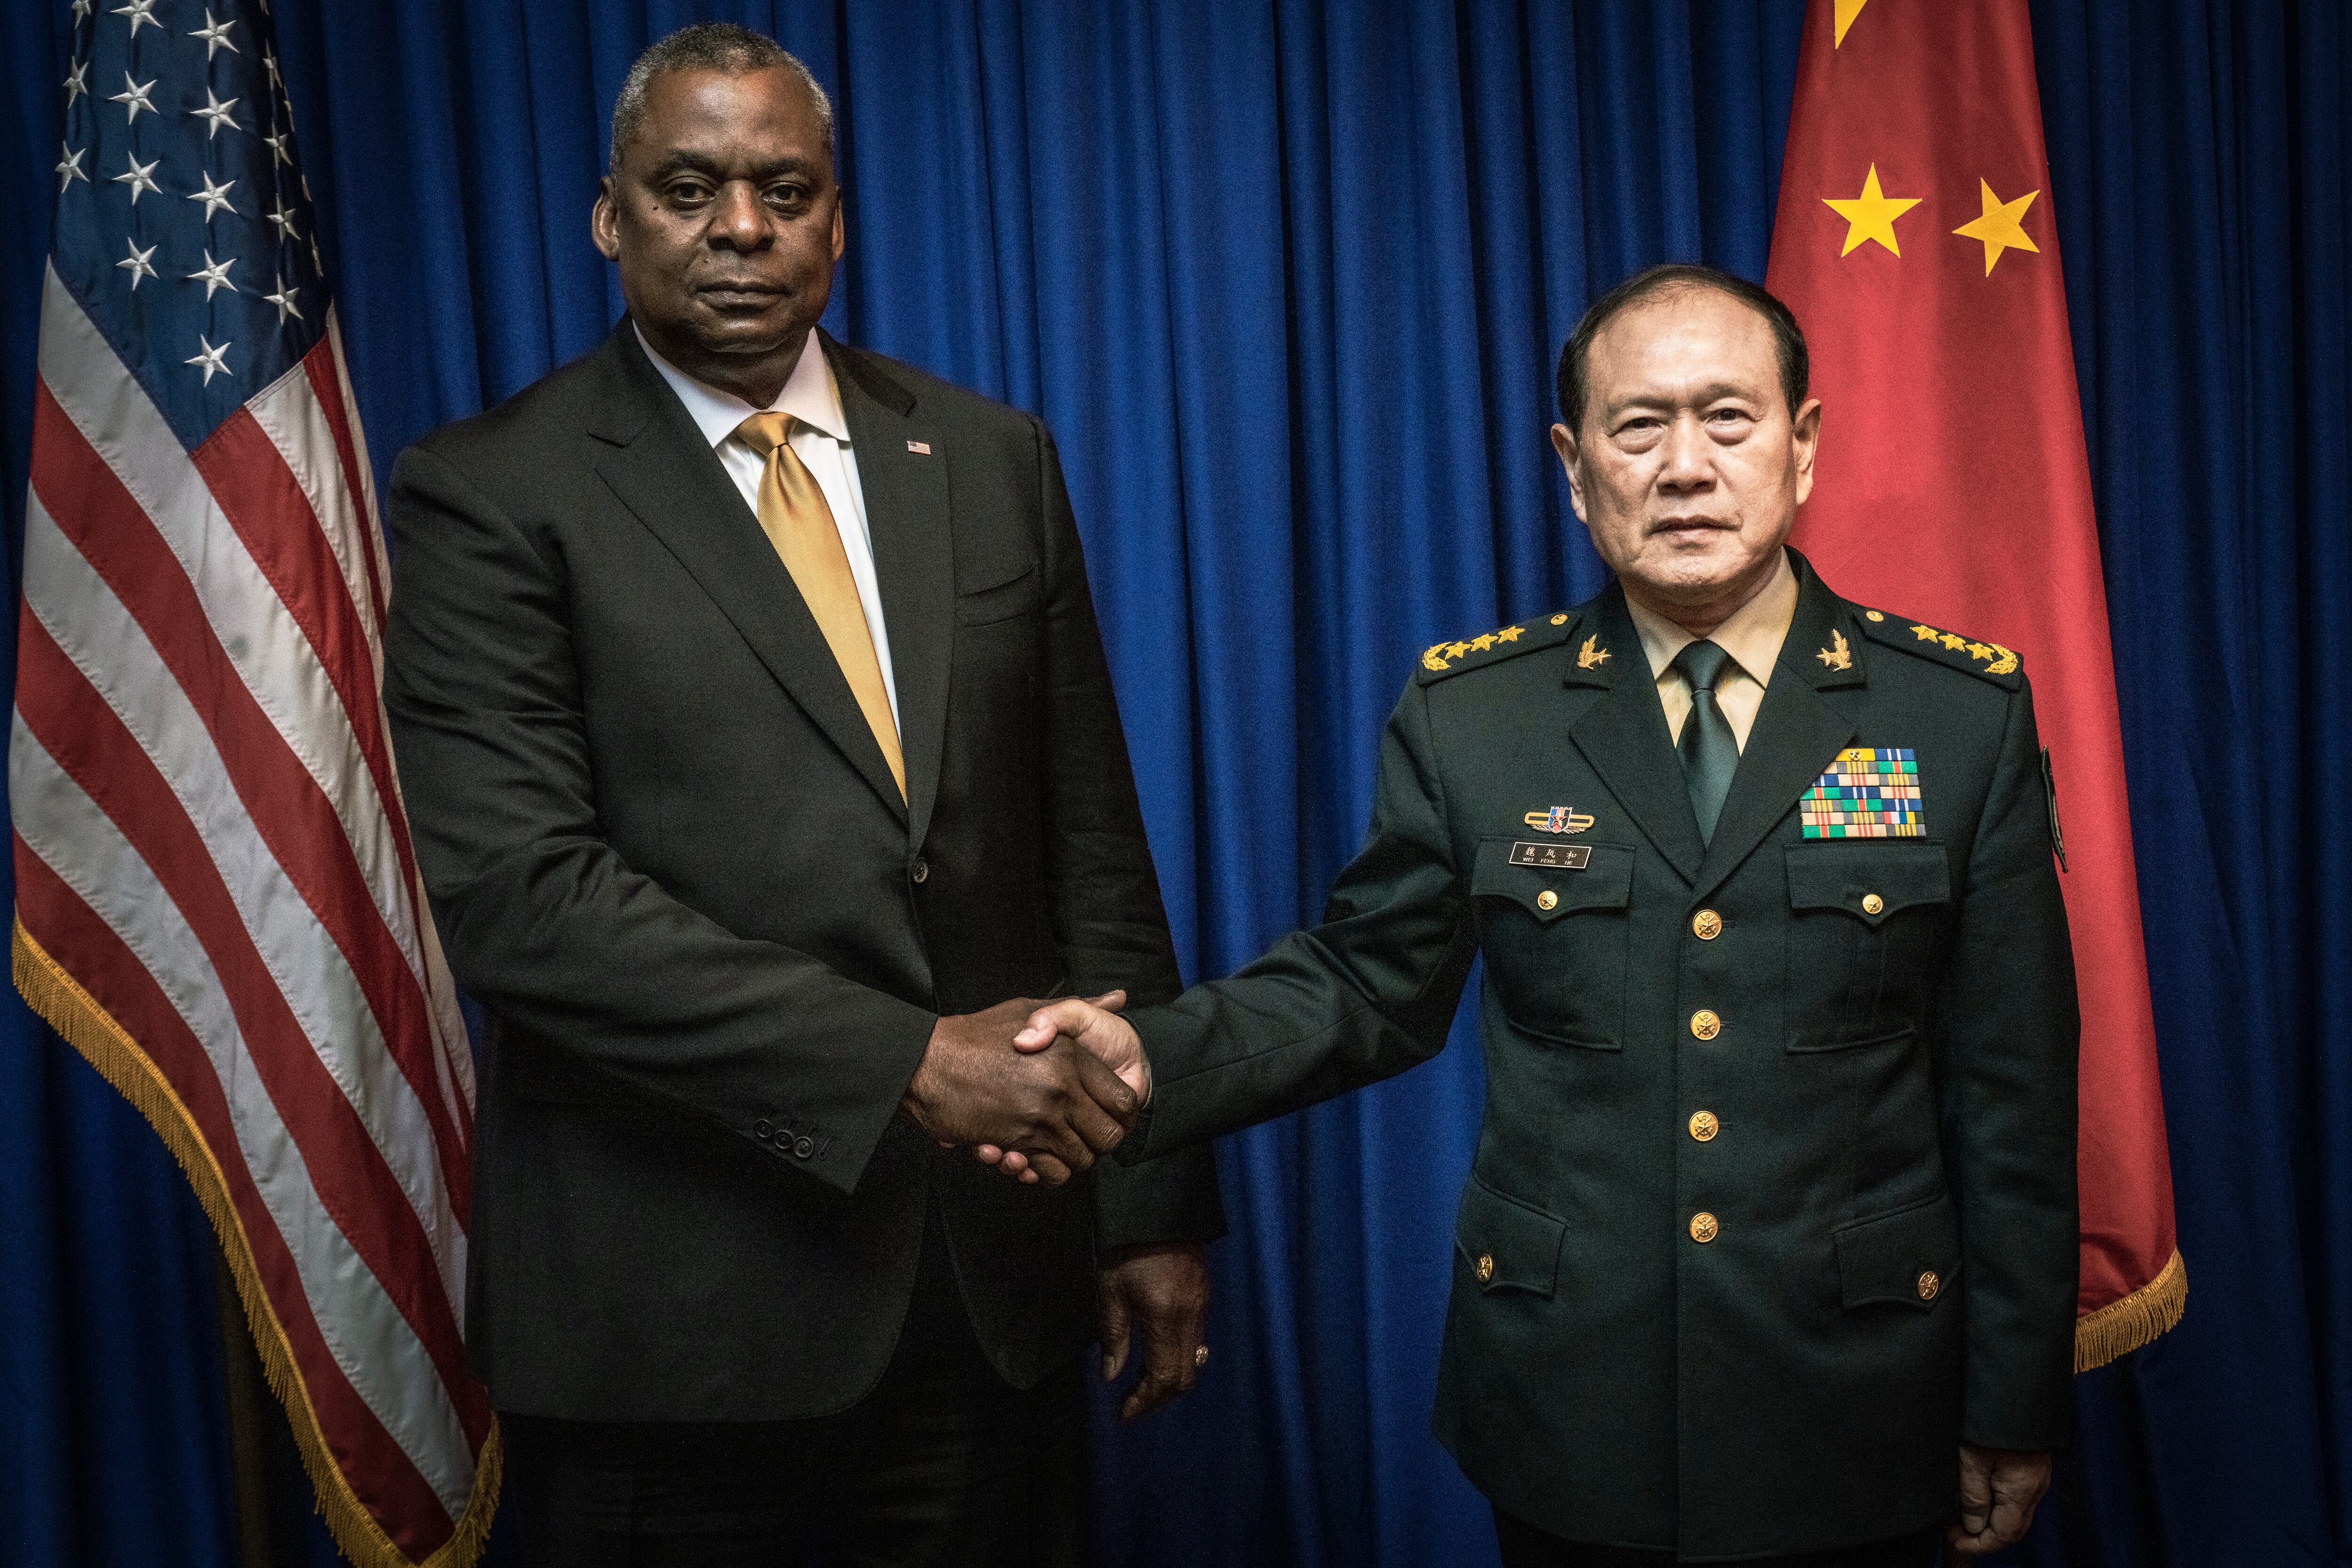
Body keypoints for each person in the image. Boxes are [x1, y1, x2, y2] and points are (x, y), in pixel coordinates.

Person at [1010, 264, 2079, 1566]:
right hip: (1577, 1407)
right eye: (1641, 427)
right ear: (1577, 470)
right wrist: (1149, 1061)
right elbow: (1364, 986)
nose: (1685, 465)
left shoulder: (1957, 720)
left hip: (1860, 1403)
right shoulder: (1478, 718)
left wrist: (2013, 1402)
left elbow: (2013, 1095)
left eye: (1729, 420)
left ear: (1802, 450)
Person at [381, 24, 1222, 1565]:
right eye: (690, 187)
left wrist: (1149, 1201)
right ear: (610, 215)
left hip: (986, 1295)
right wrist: (908, 1061)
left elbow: (1089, 847)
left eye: (785, 188)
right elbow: (524, 903)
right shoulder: (490, 493)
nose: (743, 229)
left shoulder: (984, 456)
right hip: (678, 1326)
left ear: (837, 215)